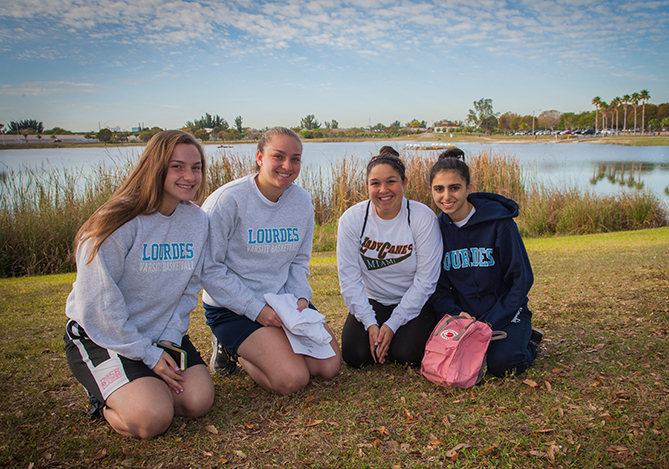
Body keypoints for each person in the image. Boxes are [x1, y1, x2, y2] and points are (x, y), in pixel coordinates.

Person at [64, 130, 215, 439]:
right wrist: (147, 355)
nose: (190, 176)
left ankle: (141, 384)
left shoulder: (198, 222)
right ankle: (104, 400)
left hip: (160, 335)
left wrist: (169, 342)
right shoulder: (115, 222)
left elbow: (188, 291)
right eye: (178, 167)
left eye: (196, 167)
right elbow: (100, 307)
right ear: (155, 167)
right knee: (153, 418)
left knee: (198, 401)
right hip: (104, 336)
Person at [202, 127, 341, 394]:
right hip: (233, 307)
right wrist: (256, 310)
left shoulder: (301, 200)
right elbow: (210, 270)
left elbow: (299, 261)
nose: (287, 166)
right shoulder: (227, 201)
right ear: (259, 157)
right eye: (278, 156)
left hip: (283, 301)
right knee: (292, 379)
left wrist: (300, 296)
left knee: (329, 367)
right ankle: (233, 352)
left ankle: (273, 345)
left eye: (296, 158)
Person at [428, 148, 540, 377]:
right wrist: (457, 315)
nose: (446, 196)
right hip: (464, 317)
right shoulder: (434, 231)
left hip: (505, 311)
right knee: (449, 361)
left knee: (504, 364)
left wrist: (491, 321)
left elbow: (521, 279)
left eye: (454, 188)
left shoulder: (500, 224)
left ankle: (531, 341)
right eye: (439, 189)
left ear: (468, 188)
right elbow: (436, 287)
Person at [337, 146, 442, 368]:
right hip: (373, 300)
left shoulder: (423, 218)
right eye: (375, 183)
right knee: (356, 356)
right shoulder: (352, 219)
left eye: (391, 182)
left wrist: (393, 324)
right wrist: (370, 323)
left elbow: (426, 281)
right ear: (367, 186)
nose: (383, 190)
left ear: (404, 183)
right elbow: (349, 280)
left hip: (413, 301)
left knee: (406, 354)